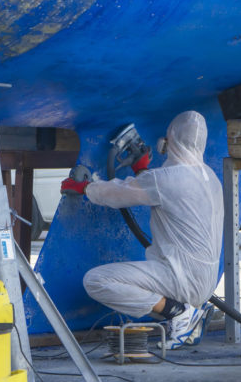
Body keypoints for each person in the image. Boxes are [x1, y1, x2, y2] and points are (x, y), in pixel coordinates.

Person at [60, 111, 224, 349]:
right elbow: (165, 193)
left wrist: (86, 188)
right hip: (206, 282)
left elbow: (119, 194)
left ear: (172, 140)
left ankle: (178, 313)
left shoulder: (167, 178)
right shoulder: (210, 177)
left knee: (96, 280)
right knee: (145, 287)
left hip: (180, 278)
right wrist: (142, 172)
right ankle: (187, 314)